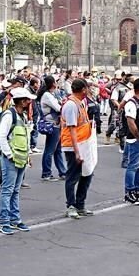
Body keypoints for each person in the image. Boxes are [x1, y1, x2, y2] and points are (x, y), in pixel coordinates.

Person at [0, 87, 33, 234]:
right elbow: (1, 136)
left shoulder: (21, 116)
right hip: (11, 159)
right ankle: (4, 221)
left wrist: (27, 156)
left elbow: (25, 137)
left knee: (15, 191)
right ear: (22, 102)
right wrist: (9, 155)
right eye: (28, 100)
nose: (30, 102)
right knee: (8, 191)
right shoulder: (9, 115)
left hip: (21, 158)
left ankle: (15, 220)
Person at [62, 78, 95, 219]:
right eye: (88, 88)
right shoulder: (71, 105)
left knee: (87, 174)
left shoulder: (80, 103)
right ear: (83, 89)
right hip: (73, 146)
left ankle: (80, 205)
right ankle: (71, 205)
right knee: (73, 176)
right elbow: (72, 129)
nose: (89, 90)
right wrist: (77, 152)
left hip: (83, 144)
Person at [37, 75, 66, 181]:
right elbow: (58, 108)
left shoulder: (52, 94)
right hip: (52, 124)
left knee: (57, 149)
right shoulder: (47, 95)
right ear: (52, 83)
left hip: (56, 124)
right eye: (56, 81)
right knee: (50, 150)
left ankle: (62, 172)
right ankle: (46, 173)